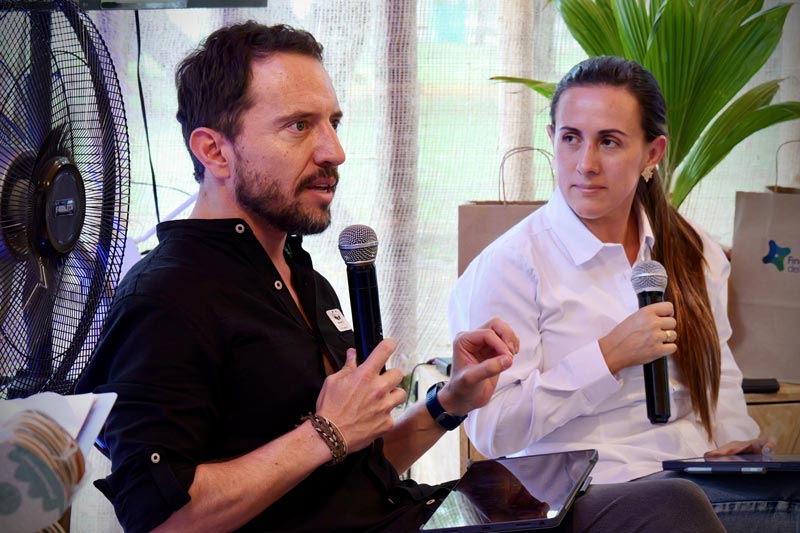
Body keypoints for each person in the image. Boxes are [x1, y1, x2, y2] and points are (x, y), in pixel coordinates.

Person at [76, 26, 726, 532]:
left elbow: (357, 464)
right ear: (214, 150)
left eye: (334, 122)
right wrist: (322, 434)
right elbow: (159, 517)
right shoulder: (169, 297)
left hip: (407, 510)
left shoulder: (305, 278)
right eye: (299, 126)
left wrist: (449, 404)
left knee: (668, 503)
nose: (334, 150)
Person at [448, 55, 800, 532]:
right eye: (571, 138)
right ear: (553, 140)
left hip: (694, 479)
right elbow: (492, 431)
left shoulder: (692, 248)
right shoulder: (511, 265)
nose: (586, 164)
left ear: (652, 154)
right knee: (679, 503)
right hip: (581, 494)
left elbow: (720, 372)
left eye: (609, 142)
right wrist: (606, 356)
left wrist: (737, 445)